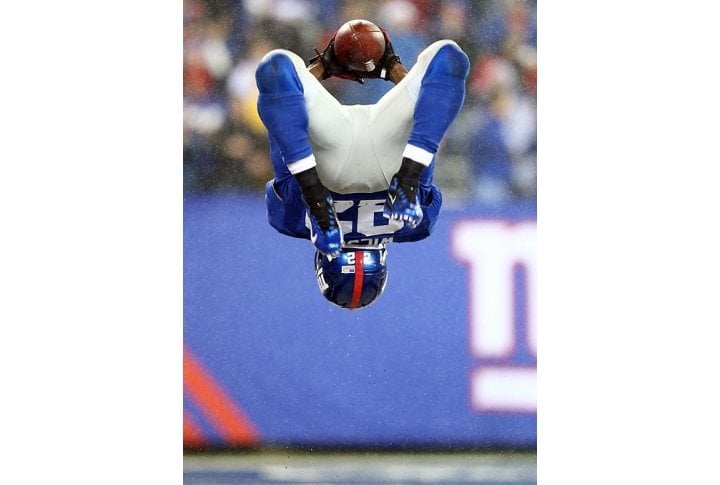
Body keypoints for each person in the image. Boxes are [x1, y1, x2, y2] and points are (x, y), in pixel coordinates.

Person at [255, 19, 469, 309]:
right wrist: (320, 70)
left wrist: (392, 69)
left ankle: (399, 180)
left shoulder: (416, 226)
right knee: (275, 67)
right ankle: (317, 198)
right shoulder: (289, 222)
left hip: (389, 168)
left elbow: (425, 126)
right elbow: (281, 123)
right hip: (329, 168)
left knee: (449, 57)